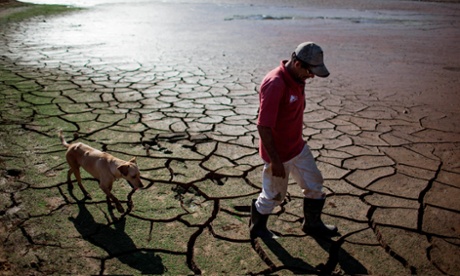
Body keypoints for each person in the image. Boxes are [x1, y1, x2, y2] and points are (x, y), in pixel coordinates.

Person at [250, 42, 338, 239]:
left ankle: (312, 224)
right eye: (310, 71)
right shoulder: (275, 84)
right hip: (279, 154)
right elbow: (263, 126)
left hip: (297, 148)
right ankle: (257, 228)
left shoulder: (298, 78)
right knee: (273, 196)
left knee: (315, 184)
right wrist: (275, 160)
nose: (312, 76)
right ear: (297, 64)